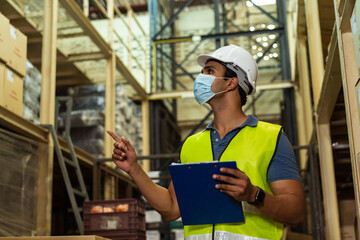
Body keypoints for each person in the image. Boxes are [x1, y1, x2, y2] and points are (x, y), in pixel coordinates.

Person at [107, 44, 305, 240]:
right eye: (202, 72)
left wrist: (253, 194)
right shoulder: (192, 144)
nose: (201, 77)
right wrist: (134, 168)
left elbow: (295, 212)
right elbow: (172, 208)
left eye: (210, 71)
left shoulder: (271, 138)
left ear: (231, 83)